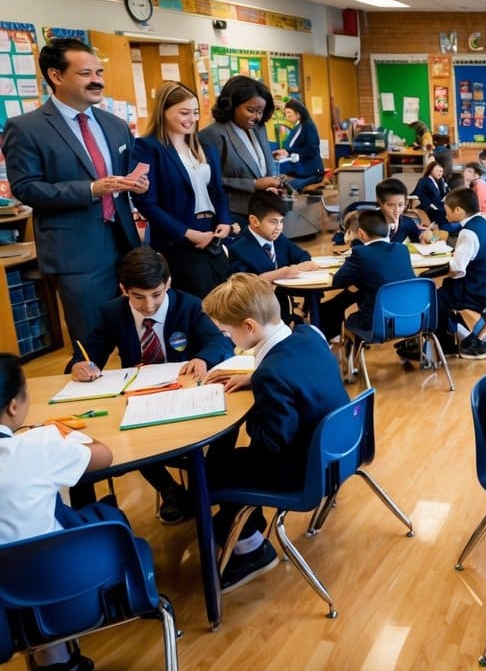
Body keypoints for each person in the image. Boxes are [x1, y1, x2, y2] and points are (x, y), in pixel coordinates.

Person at [201, 274, 349, 592]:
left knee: (213, 470)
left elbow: (271, 443)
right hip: (340, 451)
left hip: (301, 472)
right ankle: (235, 528)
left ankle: (250, 545)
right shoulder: (308, 335)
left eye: (227, 333)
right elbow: (299, 374)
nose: (228, 339)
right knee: (227, 464)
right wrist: (256, 379)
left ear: (250, 327)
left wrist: (252, 411)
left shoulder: (272, 374)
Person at [68, 247, 231, 525]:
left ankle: (204, 487)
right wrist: (79, 366)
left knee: (221, 432)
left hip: (185, 395)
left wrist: (202, 358)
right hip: (139, 398)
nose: (149, 305)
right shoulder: (112, 313)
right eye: (138, 297)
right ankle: (169, 489)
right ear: (123, 290)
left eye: (157, 294)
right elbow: (88, 355)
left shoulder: (188, 305)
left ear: (168, 284)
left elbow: (221, 342)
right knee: (129, 434)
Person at [7, 38, 147, 344]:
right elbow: (26, 189)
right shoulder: (26, 128)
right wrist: (91, 189)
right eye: (86, 73)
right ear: (56, 76)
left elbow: (123, 181)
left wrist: (138, 185)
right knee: (91, 346)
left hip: (126, 246)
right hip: (77, 254)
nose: (98, 80)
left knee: (139, 339)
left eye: (99, 71)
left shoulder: (116, 125)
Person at [0, 352, 116, 671]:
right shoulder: (36, 445)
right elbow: (103, 456)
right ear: (13, 405)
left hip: (4, 613)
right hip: (63, 589)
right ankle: (54, 650)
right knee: (101, 518)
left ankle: (53, 656)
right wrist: (72, 435)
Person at [131, 81, 232, 298]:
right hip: (180, 237)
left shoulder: (204, 147)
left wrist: (224, 221)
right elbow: (147, 204)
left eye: (195, 113)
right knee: (200, 304)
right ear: (164, 112)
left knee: (226, 300)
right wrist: (188, 234)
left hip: (212, 233)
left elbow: (218, 191)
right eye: (184, 113)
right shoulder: (148, 147)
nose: (192, 119)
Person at [318, 209, 414, 341]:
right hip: (412, 318)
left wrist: (354, 244)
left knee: (341, 308)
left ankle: (330, 340)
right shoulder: (402, 249)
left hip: (376, 324)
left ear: (361, 234)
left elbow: (338, 281)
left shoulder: (361, 253)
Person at [198, 75, 284, 220]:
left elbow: (262, 168)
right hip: (233, 215)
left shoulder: (259, 129)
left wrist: (274, 184)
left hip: (265, 210)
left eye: (260, 111)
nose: (256, 117)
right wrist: (254, 184)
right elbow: (208, 180)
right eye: (250, 110)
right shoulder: (212, 135)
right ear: (231, 105)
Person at [228, 192, 320, 323]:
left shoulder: (279, 239)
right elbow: (243, 287)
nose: (279, 228)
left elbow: (301, 254)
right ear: (254, 221)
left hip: (282, 306)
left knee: (315, 292)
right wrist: (283, 273)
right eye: (273, 222)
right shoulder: (239, 249)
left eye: (281, 221)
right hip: (257, 315)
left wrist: (305, 264)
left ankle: (318, 330)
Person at [435, 187, 486, 360]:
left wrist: (433, 272)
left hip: (474, 290)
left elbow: (457, 269)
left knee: (435, 297)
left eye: (447, 211)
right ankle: (468, 332)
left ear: (458, 210)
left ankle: (451, 342)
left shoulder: (468, 232)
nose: (446, 215)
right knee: (445, 290)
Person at [274, 98, 324, 191]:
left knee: (286, 186)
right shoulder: (298, 126)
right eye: (286, 113)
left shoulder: (307, 125)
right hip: (300, 171)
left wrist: (289, 152)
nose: (287, 116)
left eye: (289, 112)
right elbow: (290, 147)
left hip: (311, 172)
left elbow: (312, 149)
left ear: (298, 112)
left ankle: (313, 185)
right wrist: (285, 152)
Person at [375, 178, 433, 245]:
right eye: (390, 205)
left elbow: (420, 237)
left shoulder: (407, 222)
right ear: (380, 202)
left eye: (400, 205)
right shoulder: (369, 223)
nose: (396, 210)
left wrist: (429, 235)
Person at [413, 159, 450, 229]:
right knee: (442, 212)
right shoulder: (424, 181)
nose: (439, 173)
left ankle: (448, 228)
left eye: (441, 171)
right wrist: (432, 206)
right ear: (430, 171)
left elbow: (448, 192)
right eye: (437, 171)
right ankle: (446, 228)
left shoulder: (440, 182)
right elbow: (420, 194)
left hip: (440, 206)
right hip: (429, 208)